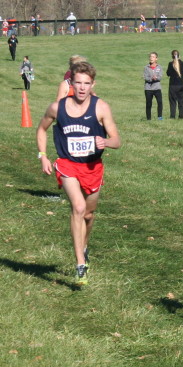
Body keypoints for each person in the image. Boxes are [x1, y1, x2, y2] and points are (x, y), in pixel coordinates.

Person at [36, 61, 121, 285]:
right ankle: (80, 264)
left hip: (92, 168)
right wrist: (43, 155)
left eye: (86, 83)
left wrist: (106, 142)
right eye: (78, 83)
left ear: (93, 84)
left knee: (89, 215)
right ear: (71, 83)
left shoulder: (101, 107)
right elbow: (41, 129)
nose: (82, 88)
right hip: (67, 164)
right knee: (79, 207)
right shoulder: (58, 107)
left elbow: (117, 140)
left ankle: (84, 246)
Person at [167, 50, 183, 119]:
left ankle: (172, 116)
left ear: (172, 56)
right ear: (179, 55)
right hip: (180, 84)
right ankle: (181, 115)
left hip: (172, 85)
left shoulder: (170, 64)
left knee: (172, 101)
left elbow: (168, 73)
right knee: (181, 101)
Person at [143, 52, 163, 120]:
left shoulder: (159, 67)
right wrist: (152, 78)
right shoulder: (146, 67)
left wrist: (156, 78)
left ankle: (160, 117)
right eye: (150, 57)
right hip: (148, 89)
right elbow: (146, 77)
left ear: (156, 58)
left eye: (153, 57)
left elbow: (160, 77)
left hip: (157, 88)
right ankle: (148, 118)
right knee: (149, 104)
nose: (151, 58)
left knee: (160, 102)